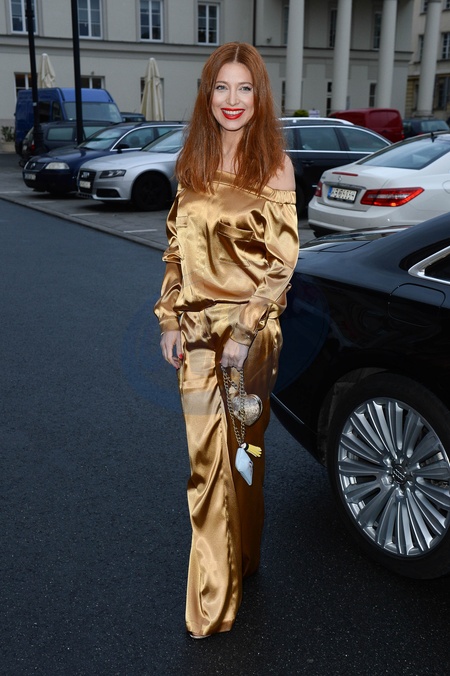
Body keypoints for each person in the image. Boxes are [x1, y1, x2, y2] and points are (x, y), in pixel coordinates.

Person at [154, 42, 299, 639]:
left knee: (245, 454)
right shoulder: (191, 160)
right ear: (207, 94)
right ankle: (213, 600)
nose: (232, 100)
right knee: (206, 461)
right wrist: (168, 318)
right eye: (222, 87)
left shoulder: (274, 167)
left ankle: (243, 557)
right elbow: (175, 250)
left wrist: (244, 330)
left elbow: (282, 264)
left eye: (245, 88)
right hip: (194, 332)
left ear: (259, 96)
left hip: (251, 336)